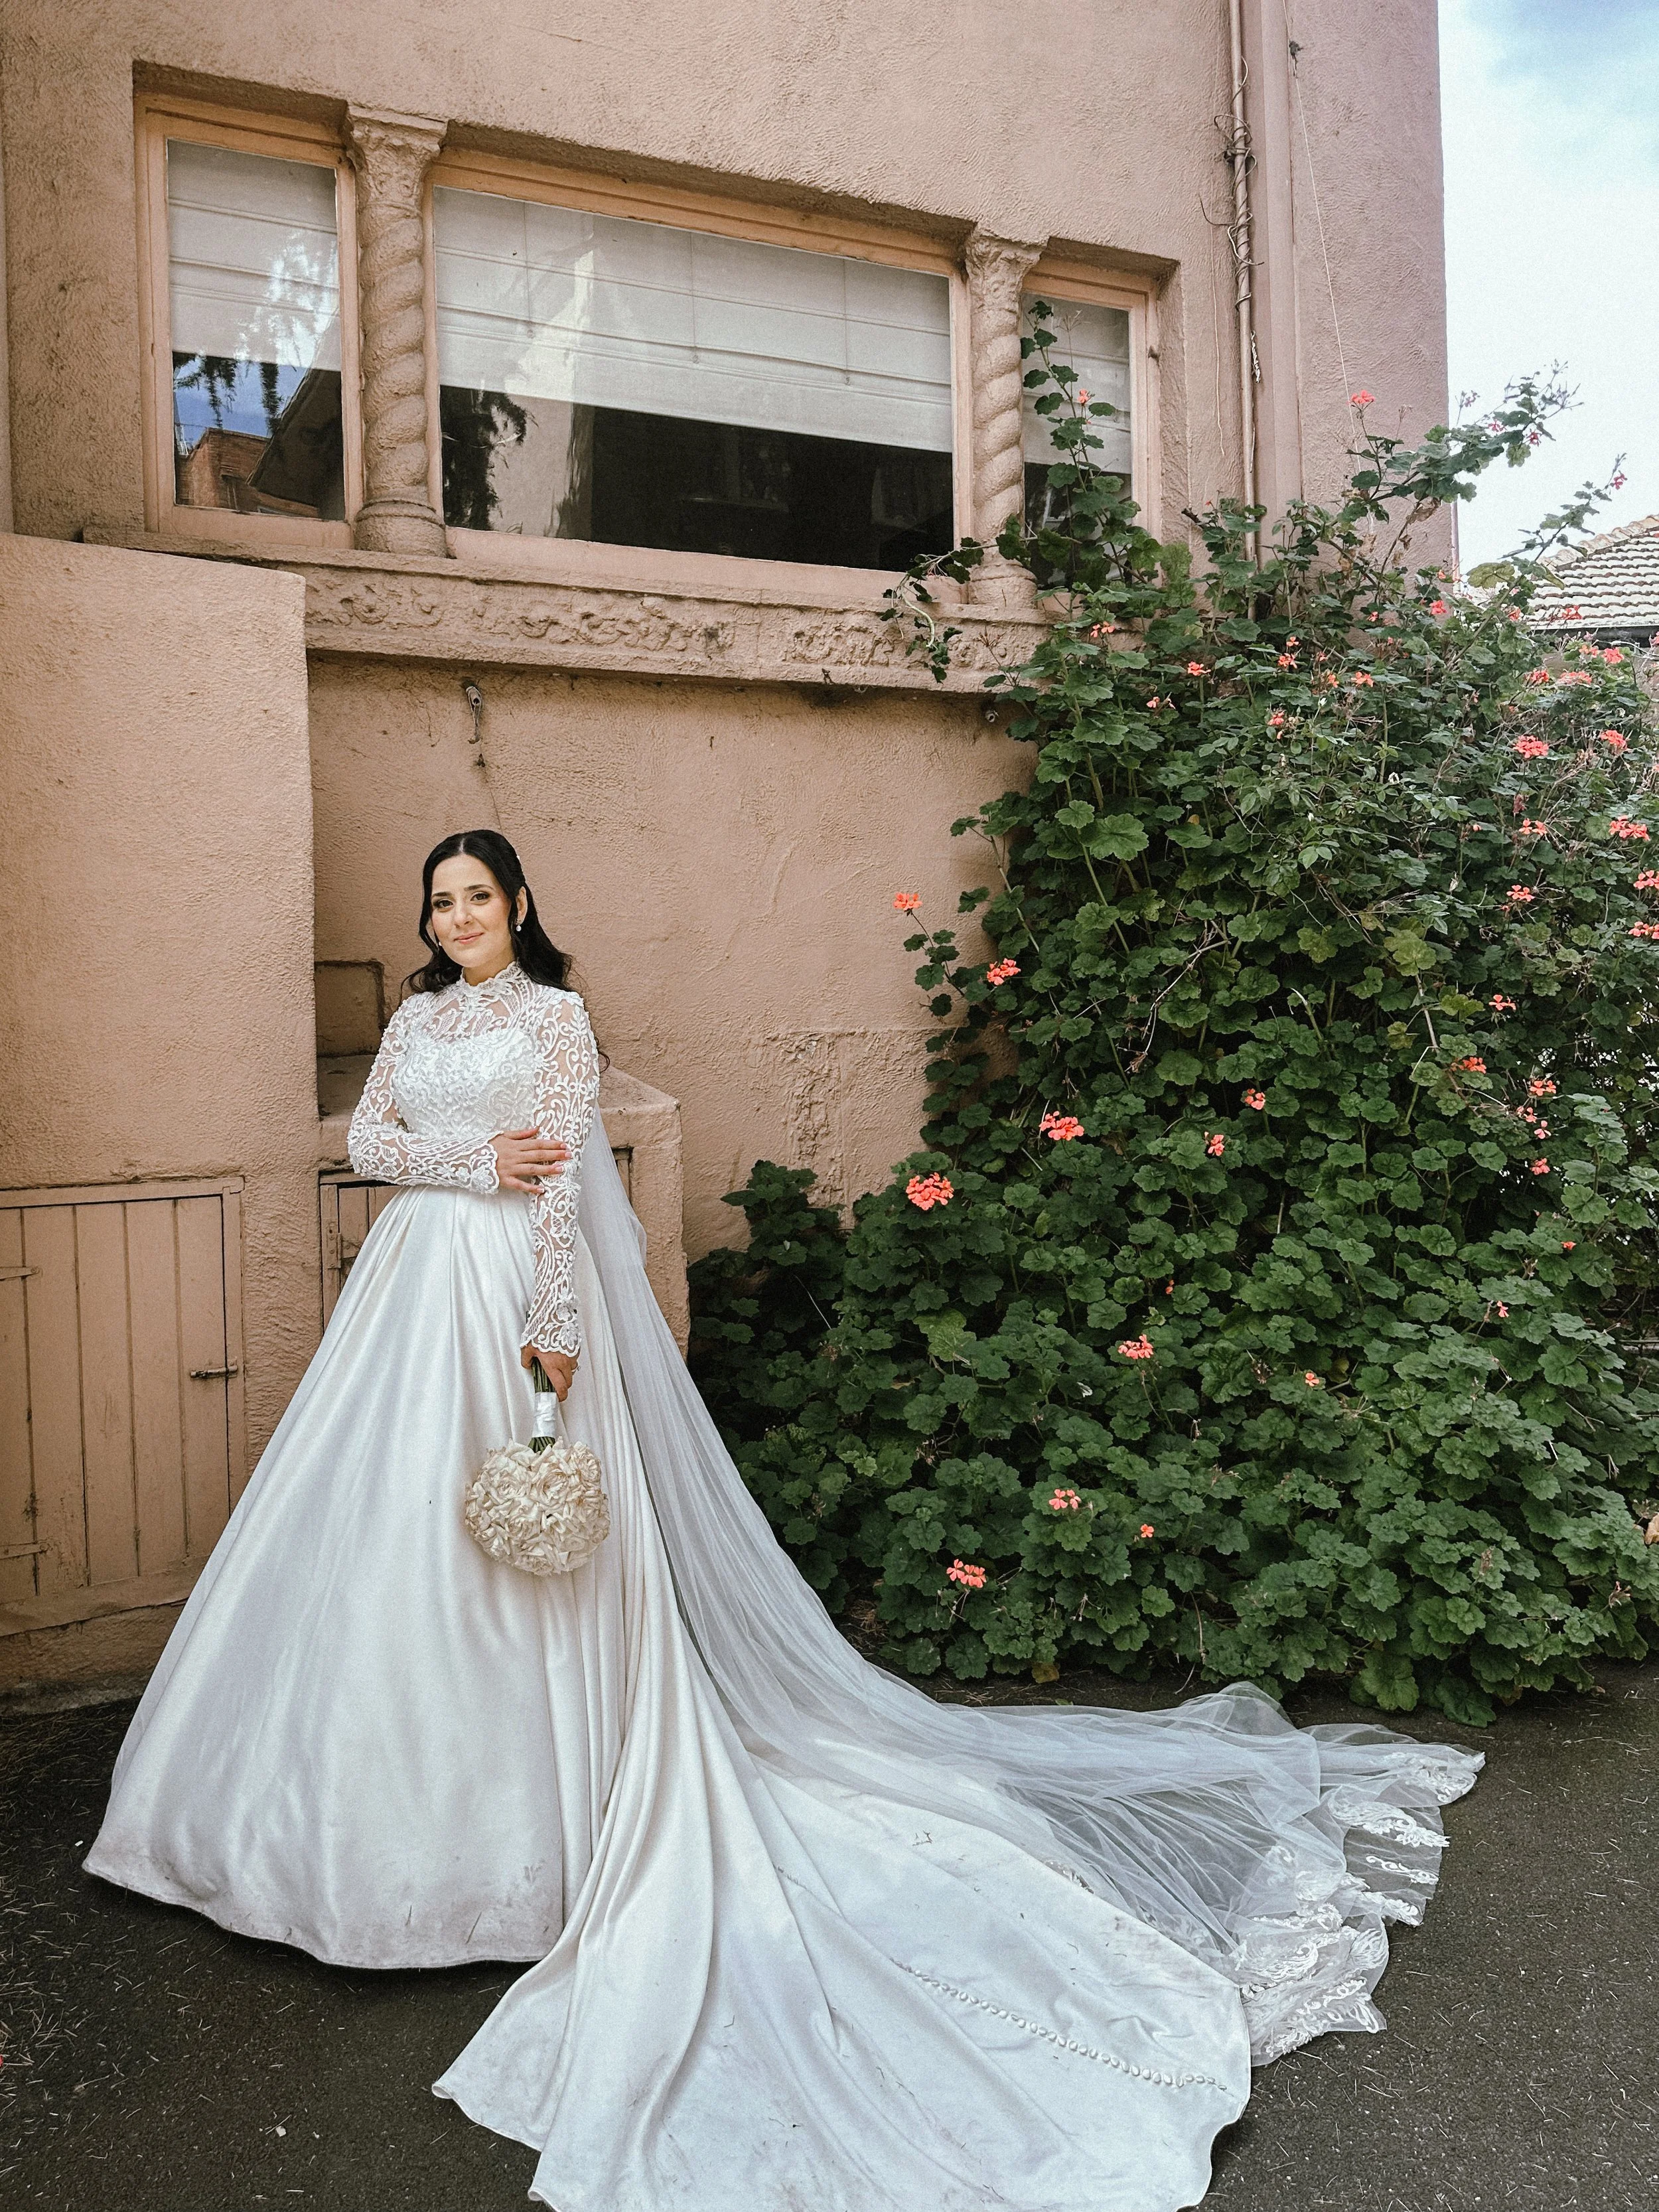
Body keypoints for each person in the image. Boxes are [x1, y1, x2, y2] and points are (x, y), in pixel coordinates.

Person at [88, 829, 1480, 2212]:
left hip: (511, 1299)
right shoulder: (416, 1019)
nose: (455, 916)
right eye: (438, 900)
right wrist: (468, 1158)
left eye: (475, 896)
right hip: (409, 1298)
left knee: (527, 1554)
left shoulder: (560, 1018)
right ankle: (333, 1837)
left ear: (517, 901)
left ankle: (545, 1839)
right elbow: (366, 1138)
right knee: (377, 1557)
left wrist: (556, 1335)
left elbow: (571, 1189)